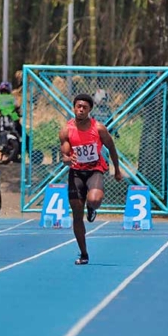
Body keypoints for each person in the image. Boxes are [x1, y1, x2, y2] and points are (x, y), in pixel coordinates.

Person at [58, 93, 123, 265]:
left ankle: (92, 208)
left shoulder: (99, 128)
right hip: (76, 173)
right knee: (77, 216)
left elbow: (111, 148)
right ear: (74, 108)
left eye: (84, 107)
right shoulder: (66, 130)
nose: (80, 110)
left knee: (94, 199)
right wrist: (66, 159)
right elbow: (64, 155)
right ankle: (84, 253)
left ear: (89, 110)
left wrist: (117, 169)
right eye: (78, 106)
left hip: (94, 169)